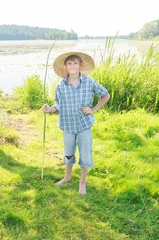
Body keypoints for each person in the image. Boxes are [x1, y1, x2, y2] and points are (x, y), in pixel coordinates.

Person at [42, 51, 110, 195]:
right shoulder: (60, 86)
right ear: (65, 66)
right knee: (68, 153)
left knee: (85, 155)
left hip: (84, 125)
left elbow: (106, 95)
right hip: (67, 126)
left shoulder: (89, 82)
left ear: (80, 65)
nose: (72, 65)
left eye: (75, 63)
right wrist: (50, 109)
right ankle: (67, 177)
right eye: (69, 63)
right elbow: (58, 105)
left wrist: (93, 109)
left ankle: (82, 183)